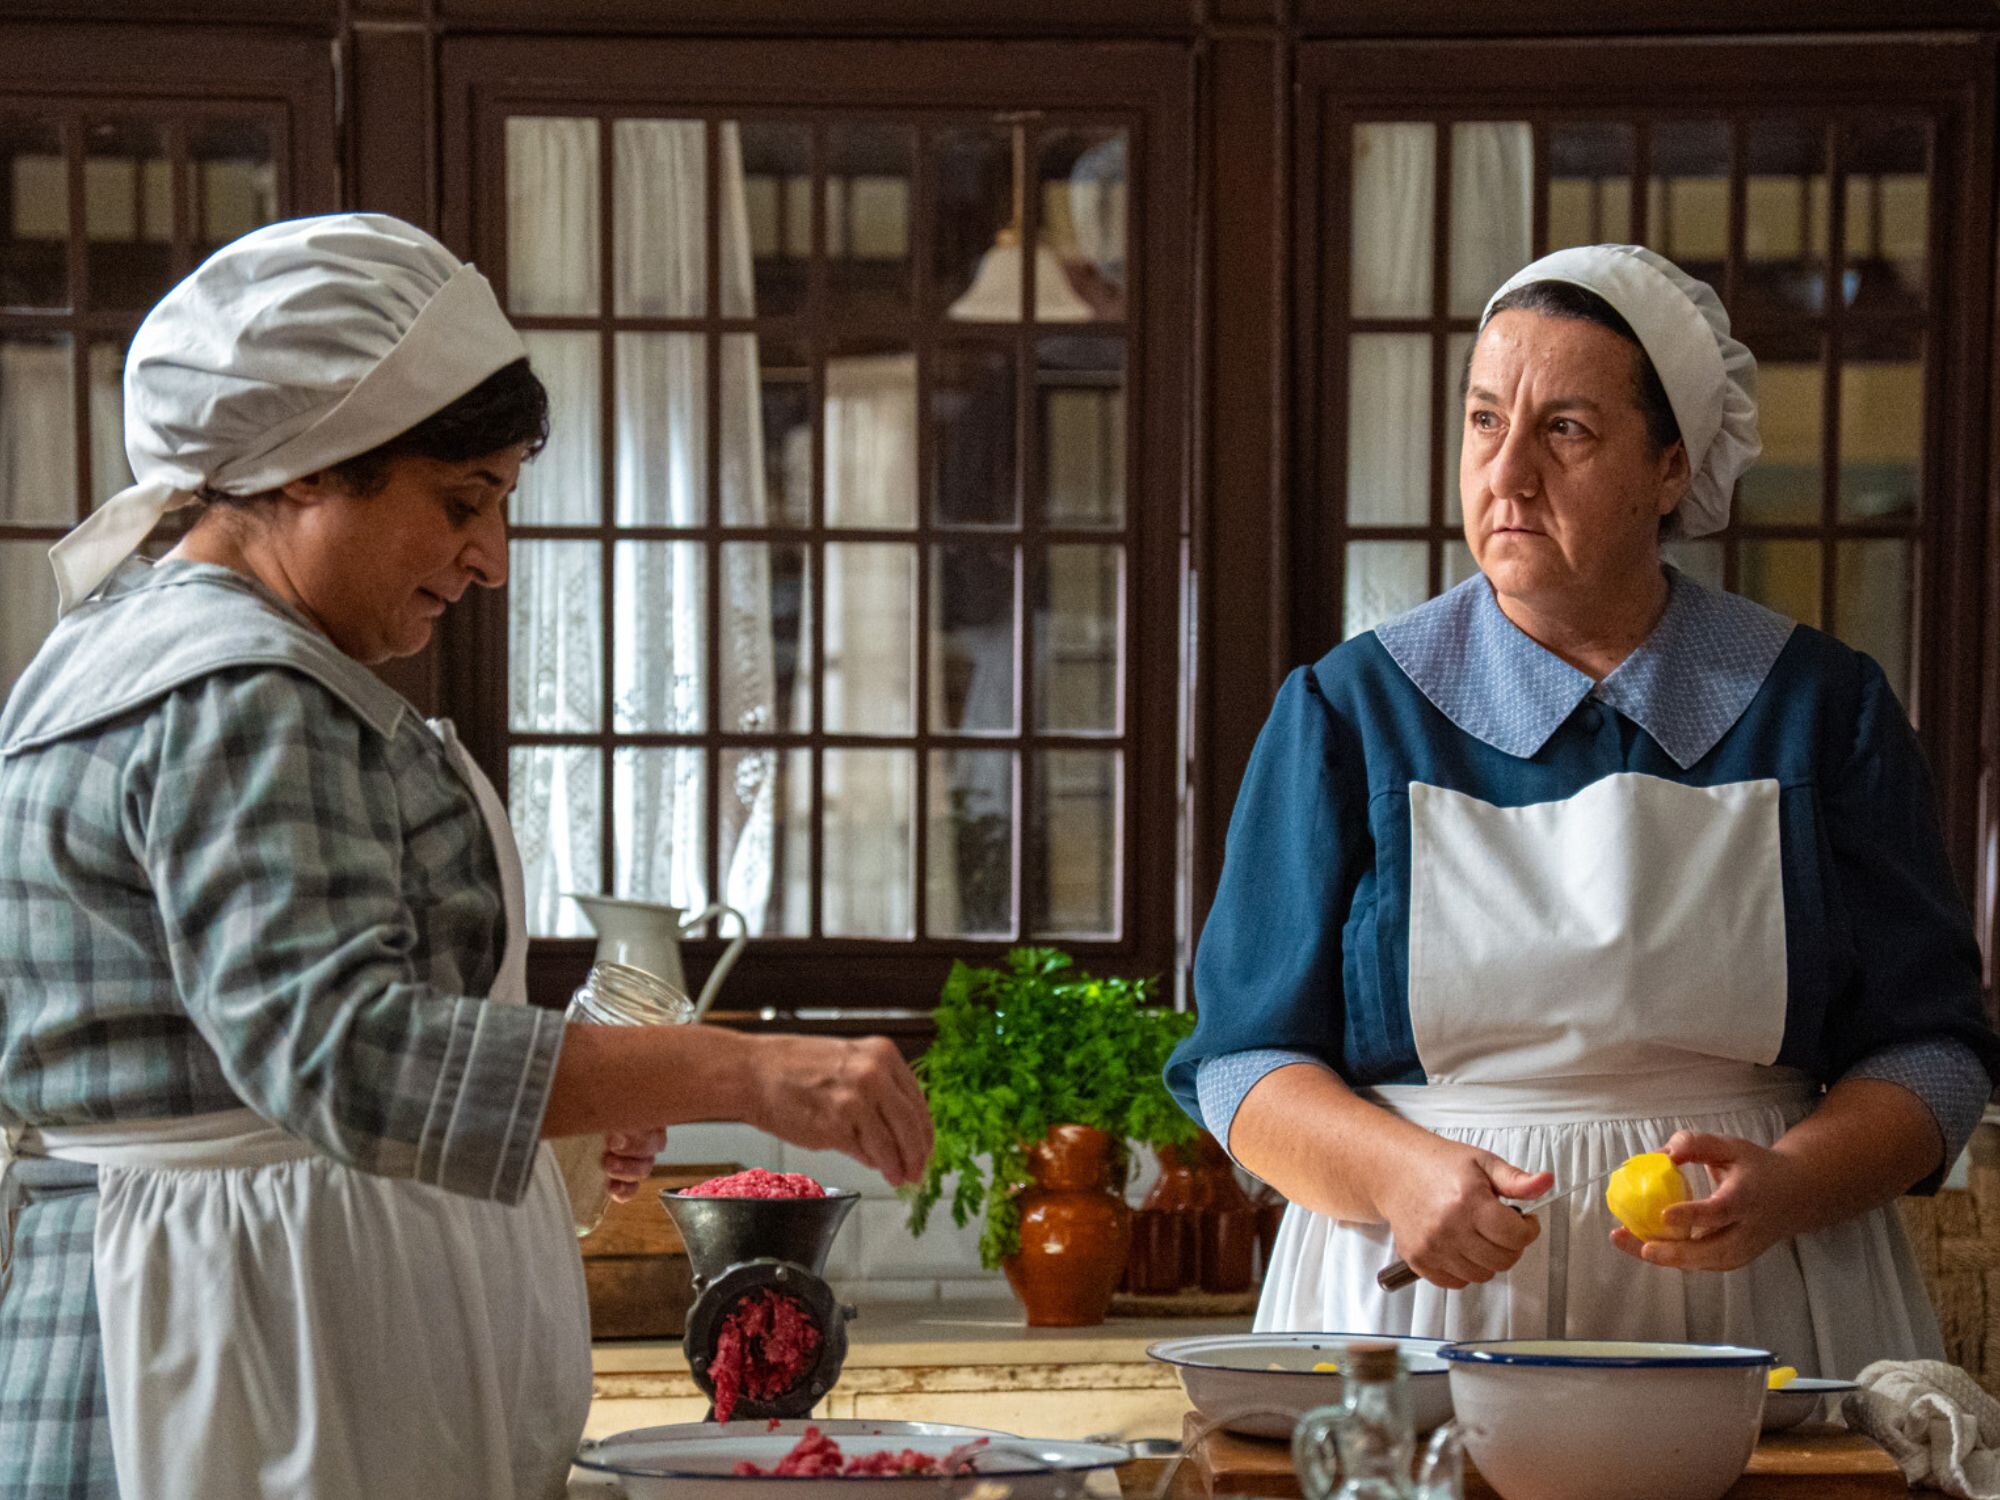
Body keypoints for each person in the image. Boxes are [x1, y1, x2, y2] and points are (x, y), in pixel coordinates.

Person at [0, 213, 934, 1500]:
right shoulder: (237, 691)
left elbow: (263, 1049)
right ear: (306, 471)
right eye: (461, 502)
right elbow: (346, 1053)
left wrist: (577, 1098)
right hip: (234, 1360)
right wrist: (747, 1068)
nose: (490, 558)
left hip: (248, 1323)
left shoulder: (164, 654)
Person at [1167, 243, 1999, 1375]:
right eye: (1480, 422)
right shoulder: (1346, 713)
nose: (1504, 474)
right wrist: (1400, 1175)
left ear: (1668, 468)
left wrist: (1797, 1181)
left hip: (1763, 1306)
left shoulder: (1817, 709)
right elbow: (1240, 1064)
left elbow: (1936, 1054)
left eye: (1563, 429)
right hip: (1420, 1316)